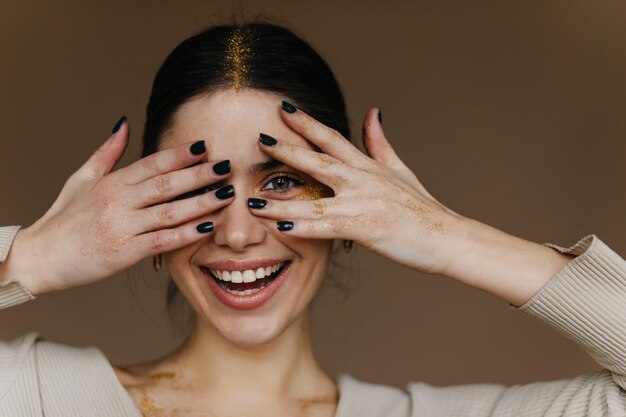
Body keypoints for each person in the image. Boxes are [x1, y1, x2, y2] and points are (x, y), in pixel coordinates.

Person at [0, 22, 624, 417]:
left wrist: (440, 234)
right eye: (202, 189)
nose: (239, 234)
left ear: (347, 209)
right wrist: (32, 257)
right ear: (147, 210)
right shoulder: (34, 396)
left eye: (279, 183)